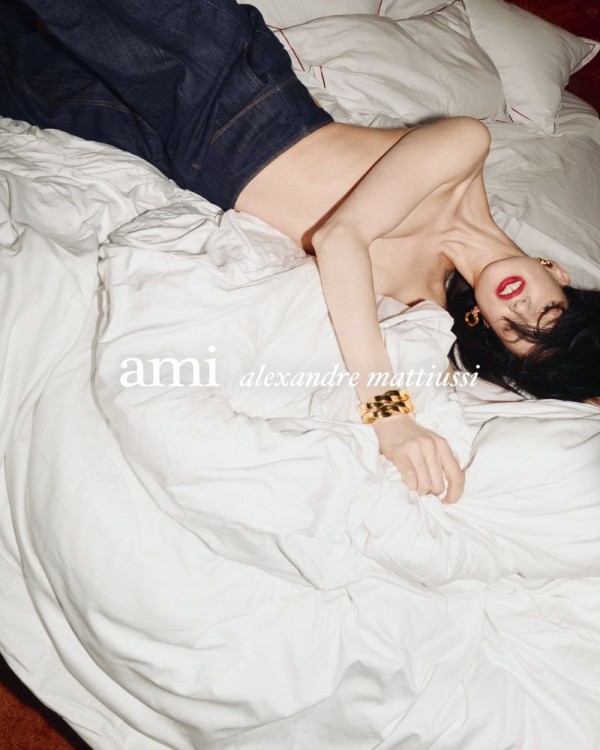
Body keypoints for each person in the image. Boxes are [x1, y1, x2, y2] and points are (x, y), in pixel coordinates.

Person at [1, 0, 599, 504]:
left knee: (13, 69)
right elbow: (341, 238)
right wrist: (390, 416)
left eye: (515, 331)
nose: (519, 308)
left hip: (177, 159)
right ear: (558, 272)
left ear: (488, 328)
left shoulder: (427, 305)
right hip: (228, 90)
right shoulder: (467, 146)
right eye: (548, 312)